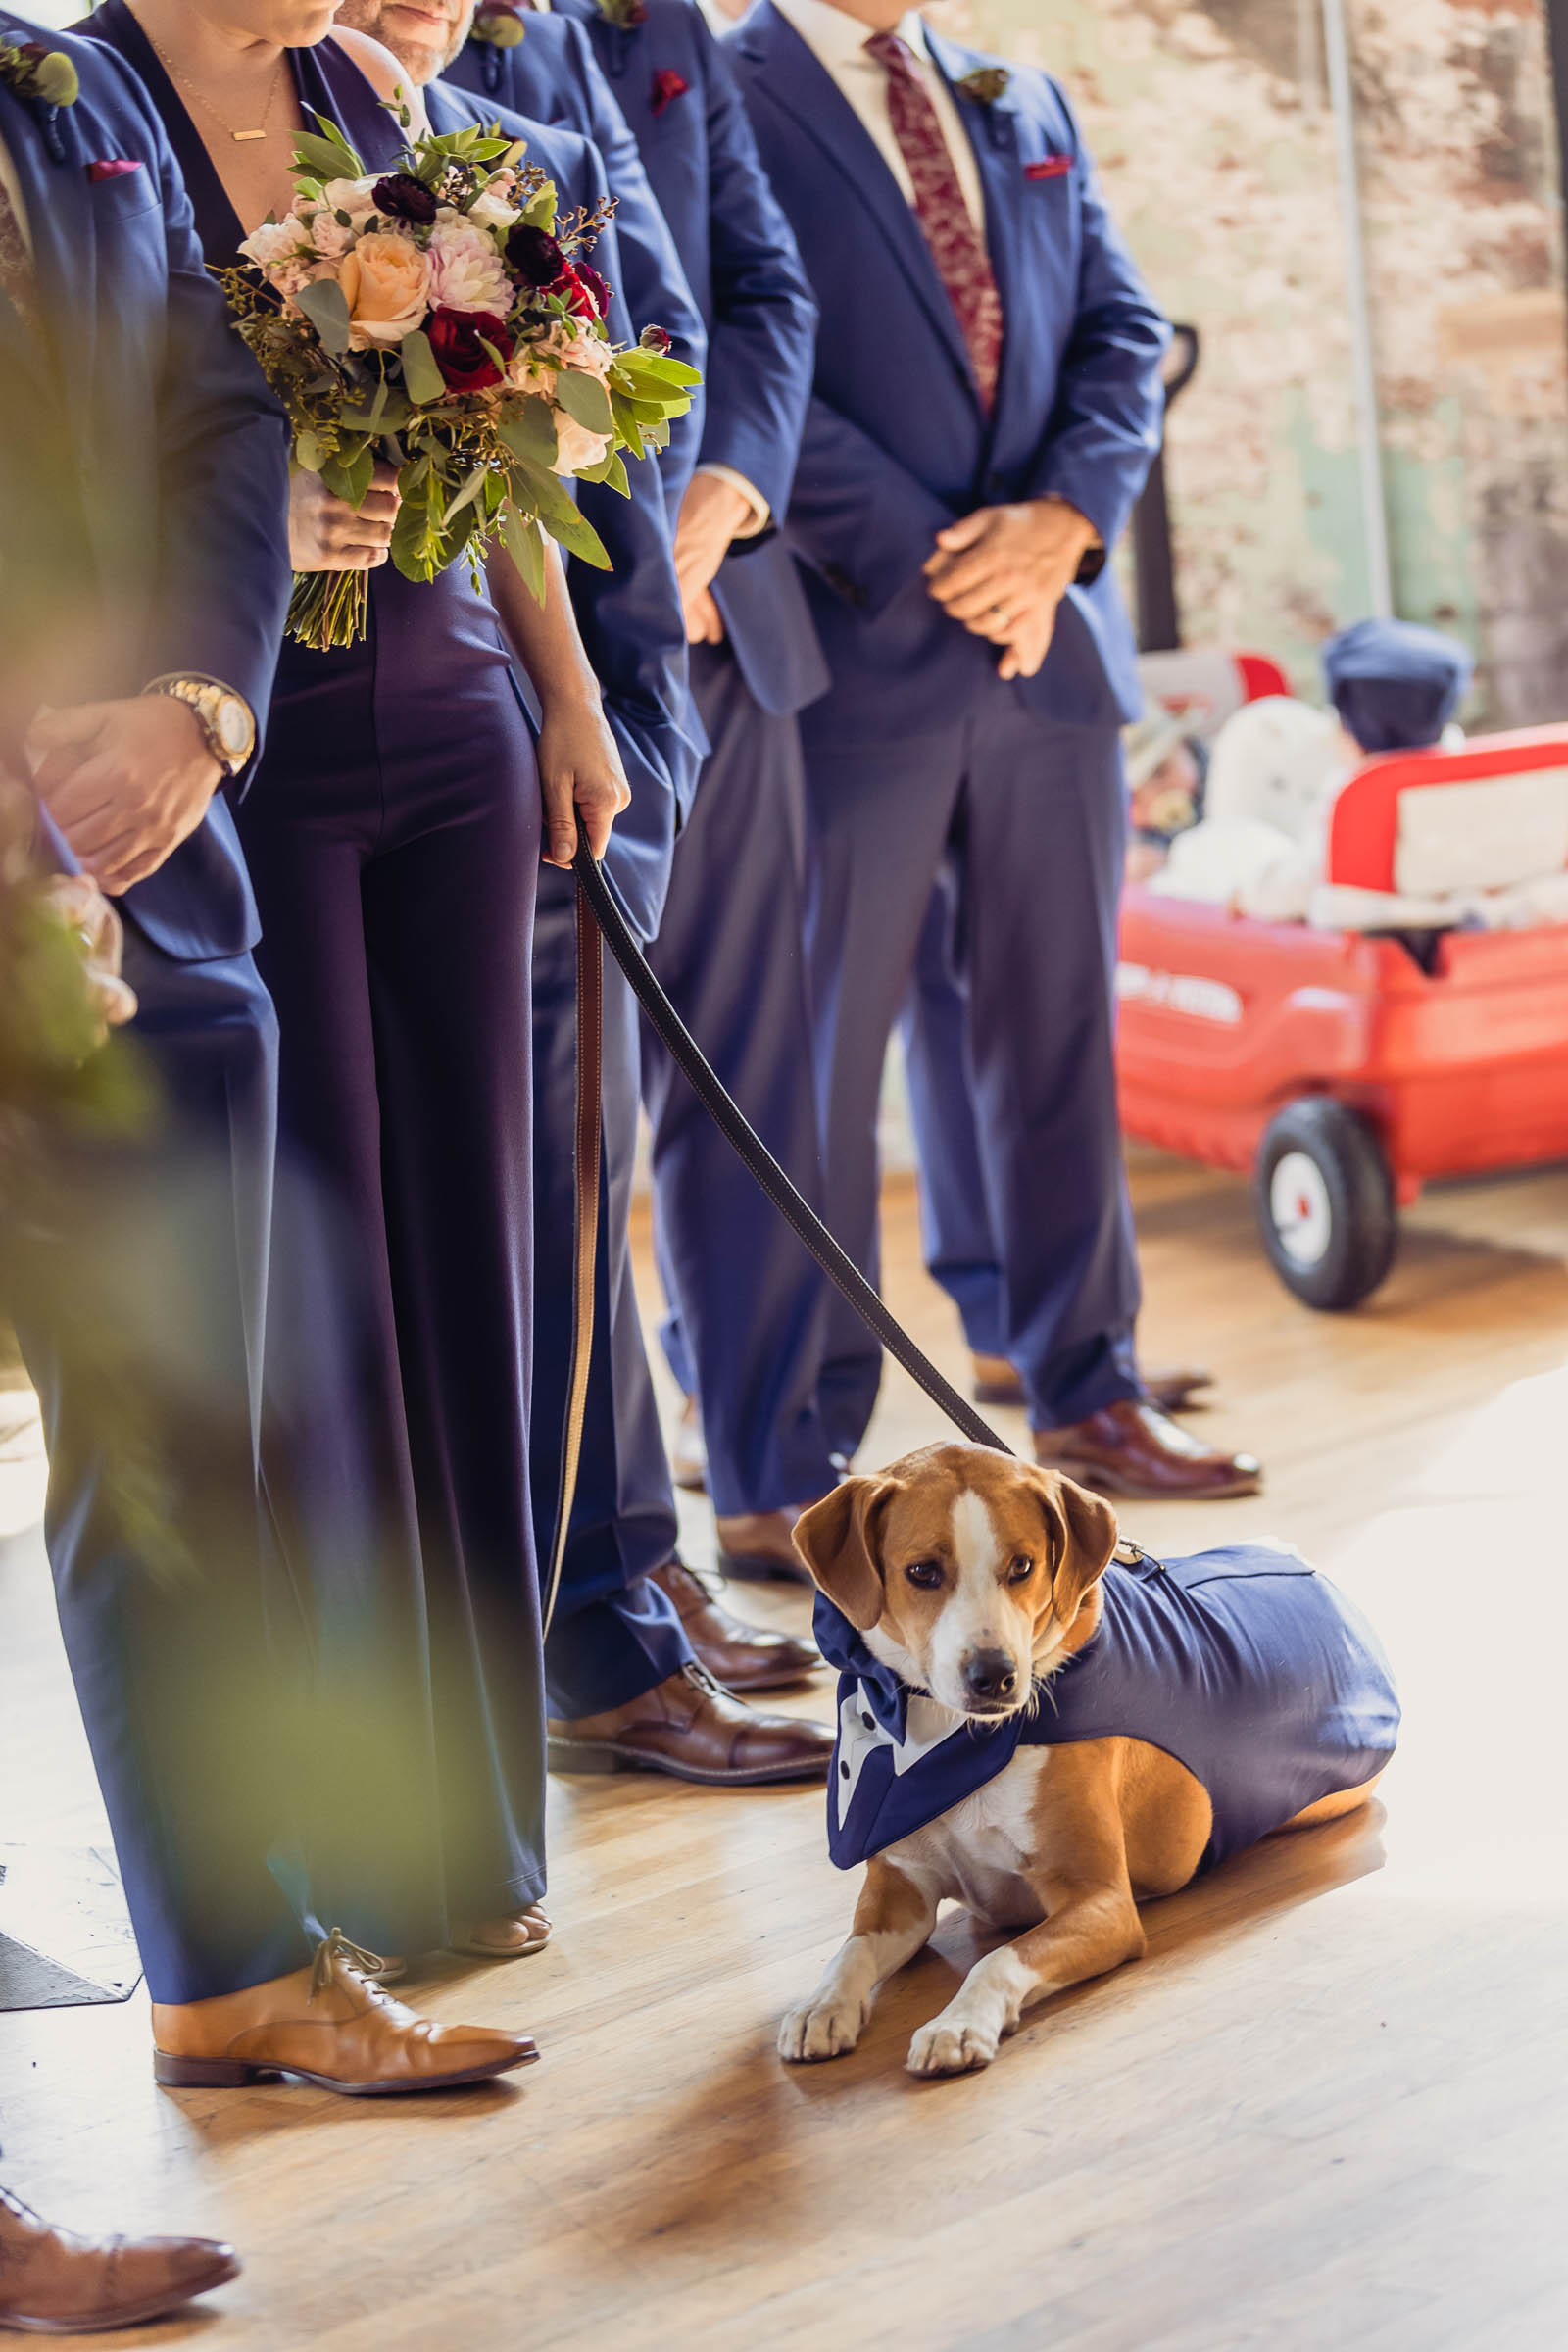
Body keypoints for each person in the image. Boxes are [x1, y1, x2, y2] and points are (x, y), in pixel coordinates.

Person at [4, 4, 530, 2091]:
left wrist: (208, 713)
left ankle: (229, 1966)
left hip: (178, 870)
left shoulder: (77, 87)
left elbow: (223, 409)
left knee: (184, 1443)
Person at [79, 0, 630, 1979]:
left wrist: (566, 697)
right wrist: (229, 556)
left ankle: (472, 1837)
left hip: (457, 725)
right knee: (313, 1296)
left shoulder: (381, 112)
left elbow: (499, 433)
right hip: (241, 757)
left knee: (470, 1265)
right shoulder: (74, 100)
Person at [726, 0, 1263, 1504]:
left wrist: (1066, 527)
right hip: (846, 650)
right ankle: (807, 1444)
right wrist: (943, 555)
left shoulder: (1017, 92)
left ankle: (1086, 1387)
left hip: (1047, 648)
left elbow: (1123, 327)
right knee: (818, 1074)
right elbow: (725, 340)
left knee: (1053, 1035)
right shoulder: (721, 81)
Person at [445, 0, 839, 1771]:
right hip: (459, 690)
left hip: (640, 653)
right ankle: (581, 1618)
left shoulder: (629, 33)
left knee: (595, 1153)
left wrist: (706, 503)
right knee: (542, 1176)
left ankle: (627, 1576)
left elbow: (688, 294)